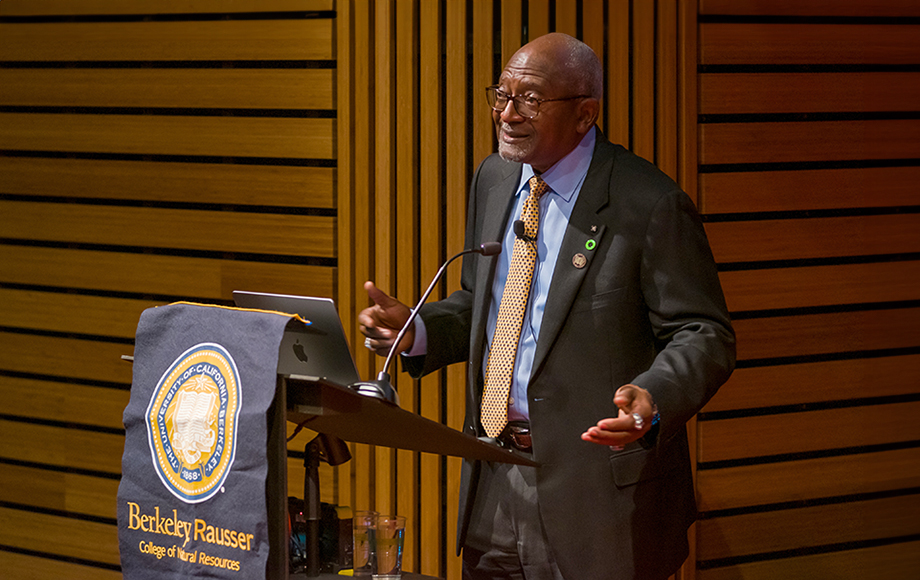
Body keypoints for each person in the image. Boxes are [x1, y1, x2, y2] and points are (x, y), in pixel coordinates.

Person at [359, 33, 735, 580]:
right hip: (494, 473)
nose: (507, 114)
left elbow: (705, 333)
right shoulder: (496, 178)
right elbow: (487, 305)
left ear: (586, 114)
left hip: (598, 497)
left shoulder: (647, 203)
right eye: (502, 95)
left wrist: (652, 397)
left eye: (530, 99)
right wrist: (417, 331)